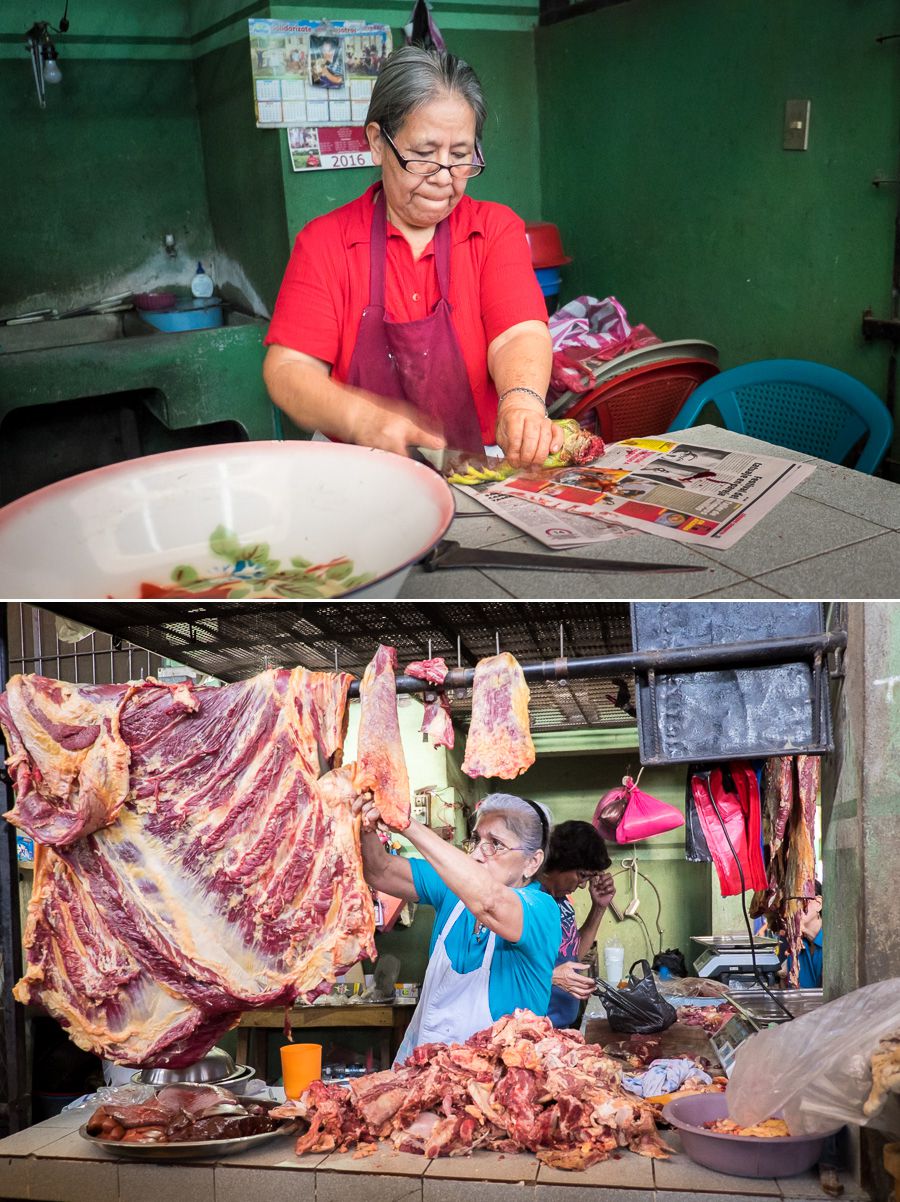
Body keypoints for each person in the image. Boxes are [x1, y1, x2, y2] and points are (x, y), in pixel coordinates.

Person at [263, 46, 562, 467]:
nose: (443, 177)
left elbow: (517, 334)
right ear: (376, 143)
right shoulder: (325, 242)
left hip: (476, 464)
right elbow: (289, 368)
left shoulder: (495, 229)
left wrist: (521, 402)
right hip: (355, 467)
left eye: (460, 156)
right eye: (423, 154)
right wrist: (359, 417)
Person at [352, 791, 560, 1063]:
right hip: (425, 1074)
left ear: (532, 863)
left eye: (495, 844)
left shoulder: (541, 909)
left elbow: (489, 902)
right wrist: (366, 826)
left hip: (494, 1089)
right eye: (475, 840)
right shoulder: (453, 893)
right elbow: (380, 871)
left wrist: (408, 825)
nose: (476, 853)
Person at [538, 820, 616, 1028]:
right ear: (560, 862)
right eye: (581, 876)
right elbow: (505, 973)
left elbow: (573, 956)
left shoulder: (562, 901)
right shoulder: (529, 901)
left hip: (562, 1024)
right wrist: (551, 977)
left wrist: (599, 907)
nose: (582, 885)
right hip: (535, 1027)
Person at [780, 881, 823, 988]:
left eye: (797, 901)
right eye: (787, 905)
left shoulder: (835, 947)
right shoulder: (796, 950)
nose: (789, 912)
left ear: (818, 903)